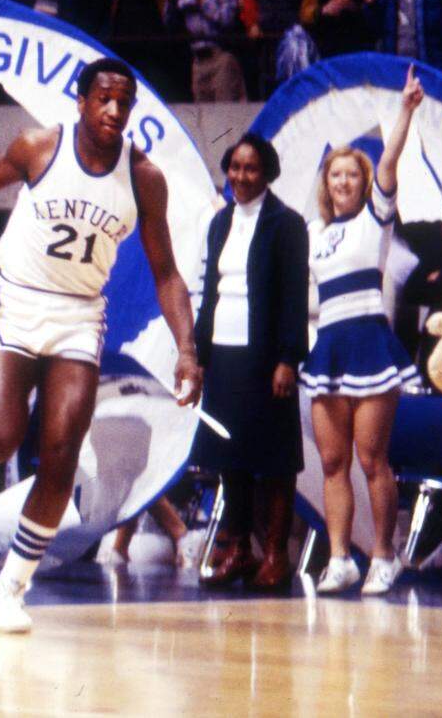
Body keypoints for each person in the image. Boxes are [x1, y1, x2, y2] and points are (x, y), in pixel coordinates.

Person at [0, 57, 202, 632]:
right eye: (104, 99)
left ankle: (12, 587)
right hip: (18, 299)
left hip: (79, 316)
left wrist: (186, 349)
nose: (114, 110)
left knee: (61, 456)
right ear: (82, 102)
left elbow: (166, 273)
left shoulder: (144, 178)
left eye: (124, 102)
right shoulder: (41, 147)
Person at [301, 64, 424, 596]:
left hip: (371, 345)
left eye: (352, 174)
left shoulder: (377, 216)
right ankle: (339, 559)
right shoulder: (313, 232)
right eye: (336, 176)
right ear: (326, 185)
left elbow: (391, 158)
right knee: (333, 462)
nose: (344, 181)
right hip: (328, 349)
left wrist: (405, 109)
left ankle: (382, 554)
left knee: (372, 459)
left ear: (364, 181)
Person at [194, 134, 308, 591]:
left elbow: (294, 298)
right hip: (223, 353)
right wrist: (199, 356)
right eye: (235, 168)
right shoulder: (220, 222)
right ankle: (239, 548)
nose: (241, 177)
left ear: (268, 173)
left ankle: (276, 553)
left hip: (266, 357)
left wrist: (288, 359)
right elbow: (209, 293)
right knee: (230, 455)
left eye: (251, 169)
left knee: (274, 458)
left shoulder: (287, 223)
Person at [164, 0, 244, 102]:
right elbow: (170, 24)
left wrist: (202, 2)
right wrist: (170, 2)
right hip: (197, 62)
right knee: (202, 116)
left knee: (225, 115)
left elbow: (228, 20)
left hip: (221, 58)